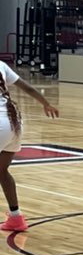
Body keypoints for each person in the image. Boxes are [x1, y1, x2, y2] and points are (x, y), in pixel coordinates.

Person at [0, 61, 59, 231]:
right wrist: (46, 103)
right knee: (2, 171)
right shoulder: (1, 65)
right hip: (14, 121)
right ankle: (16, 218)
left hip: (1, 123)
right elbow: (28, 88)